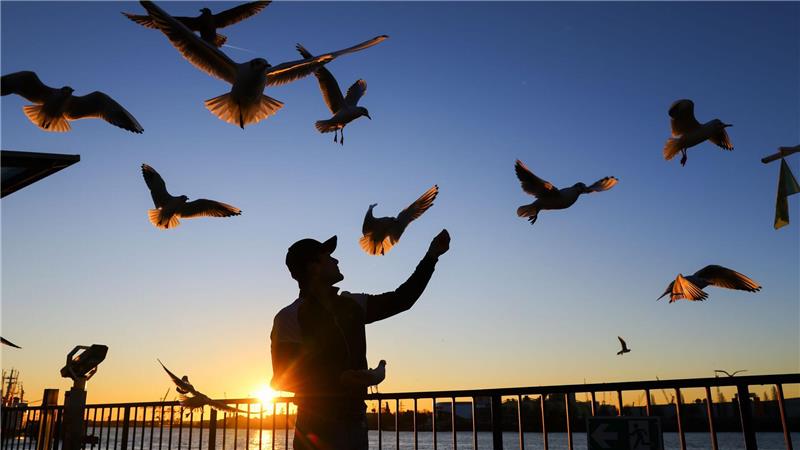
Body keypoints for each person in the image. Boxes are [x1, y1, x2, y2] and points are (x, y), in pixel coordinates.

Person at [270, 230, 450, 450]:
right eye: (328, 257)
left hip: (356, 421)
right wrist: (340, 379)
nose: (336, 260)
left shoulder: (352, 305)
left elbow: (402, 300)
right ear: (313, 267)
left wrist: (432, 257)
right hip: (316, 426)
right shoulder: (288, 317)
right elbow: (283, 377)